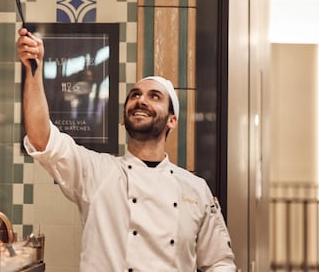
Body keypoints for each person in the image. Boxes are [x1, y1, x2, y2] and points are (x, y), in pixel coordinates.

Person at [17, 28, 237, 271]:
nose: (141, 100)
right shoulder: (96, 172)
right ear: (124, 118)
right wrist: (33, 69)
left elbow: (219, 262)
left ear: (172, 121)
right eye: (135, 95)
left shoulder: (195, 189)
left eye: (154, 96)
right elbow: (41, 139)